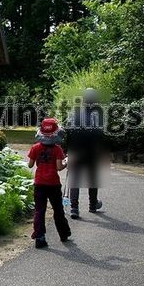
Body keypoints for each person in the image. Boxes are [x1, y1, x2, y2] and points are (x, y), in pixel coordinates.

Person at [27, 117, 71, 249]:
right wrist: (67, 161)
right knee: (58, 209)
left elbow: (30, 165)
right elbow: (59, 167)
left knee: (39, 210)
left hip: (39, 183)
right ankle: (63, 234)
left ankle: (40, 237)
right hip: (53, 184)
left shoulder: (35, 147)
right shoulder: (57, 149)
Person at [65, 88, 106, 219]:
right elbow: (100, 134)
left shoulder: (74, 112)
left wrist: (68, 151)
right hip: (91, 151)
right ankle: (93, 205)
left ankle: (74, 208)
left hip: (76, 150)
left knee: (75, 179)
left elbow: (68, 132)